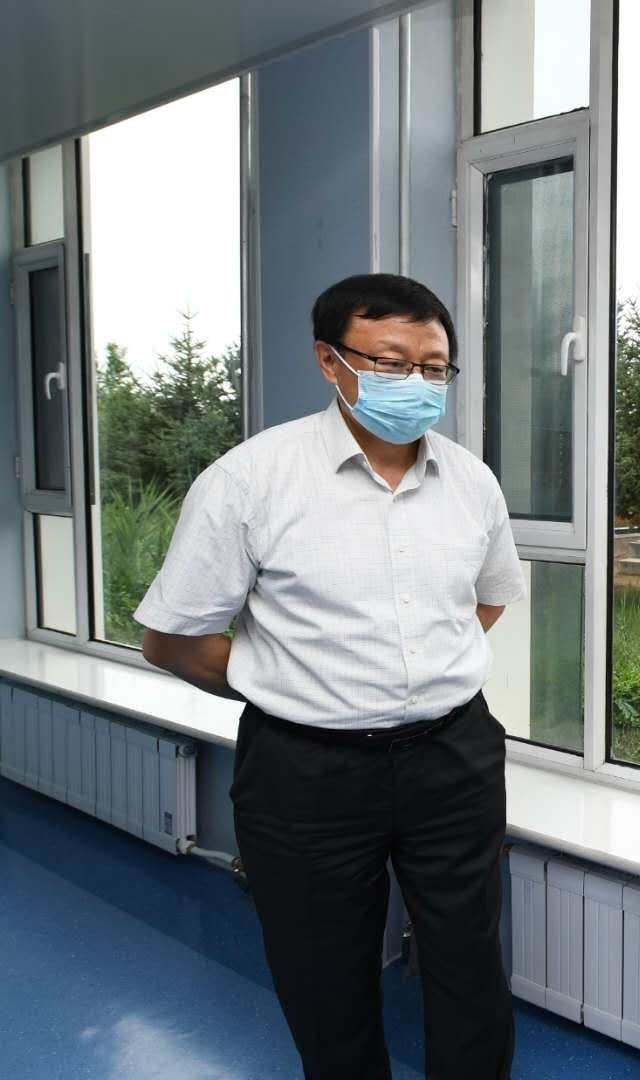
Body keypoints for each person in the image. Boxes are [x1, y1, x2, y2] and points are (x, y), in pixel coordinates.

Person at [137, 273, 525, 1080]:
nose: (416, 383)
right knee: (324, 976)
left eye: (434, 368)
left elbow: (484, 603)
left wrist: (412, 672)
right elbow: (172, 640)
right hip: (305, 769)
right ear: (329, 360)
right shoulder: (250, 481)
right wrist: (294, 684)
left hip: (453, 757)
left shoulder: (471, 482)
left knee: (471, 963)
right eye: (391, 362)